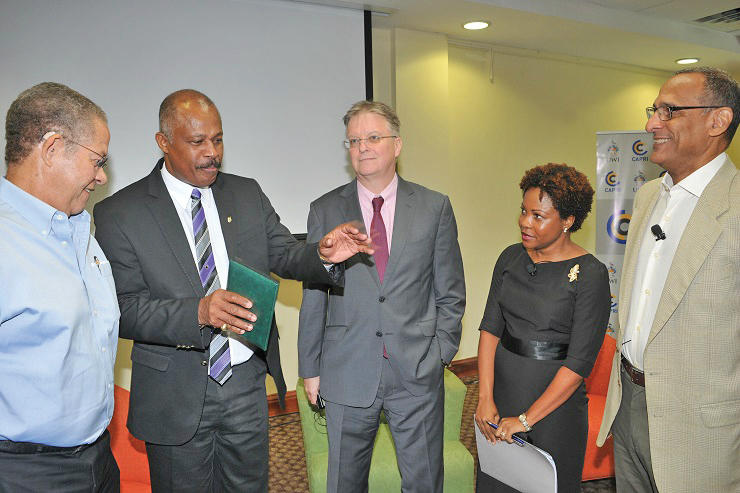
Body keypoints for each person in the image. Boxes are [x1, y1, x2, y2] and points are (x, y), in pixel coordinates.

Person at [93, 89, 373, 492]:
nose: (212, 152)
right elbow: (125, 309)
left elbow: (285, 254)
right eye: (197, 142)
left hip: (244, 382)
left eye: (218, 139)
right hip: (176, 393)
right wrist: (199, 313)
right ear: (163, 142)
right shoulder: (122, 213)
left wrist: (325, 255)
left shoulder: (245, 193)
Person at [298, 100, 465, 493]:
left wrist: (440, 351)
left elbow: (450, 290)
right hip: (346, 369)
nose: (363, 147)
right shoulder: (325, 209)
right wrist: (310, 366)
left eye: (373, 137)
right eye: (354, 140)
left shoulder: (433, 207)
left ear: (397, 145)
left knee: (424, 482)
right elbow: (314, 294)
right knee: (344, 483)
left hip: (416, 371)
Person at [597, 68, 739, 492]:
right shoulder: (646, 197)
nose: (651, 123)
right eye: (654, 110)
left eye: (669, 111)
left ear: (718, 121)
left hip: (702, 427)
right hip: (630, 405)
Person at [0, 82, 120, 491]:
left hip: (99, 459)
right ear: (52, 148)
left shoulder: (80, 228)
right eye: (98, 161)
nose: (102, 176)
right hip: (27, 472)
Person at [475, 163, 610, 493]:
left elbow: (579, 363)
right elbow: (490, 329)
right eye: (523, 211)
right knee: (497, 484)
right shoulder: (509, 258)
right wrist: (484, 397)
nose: (524, 221)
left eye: (538, 216)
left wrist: (525, 419)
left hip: (554, 410)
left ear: (567, 221)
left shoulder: (590, 274)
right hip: (500, 397)